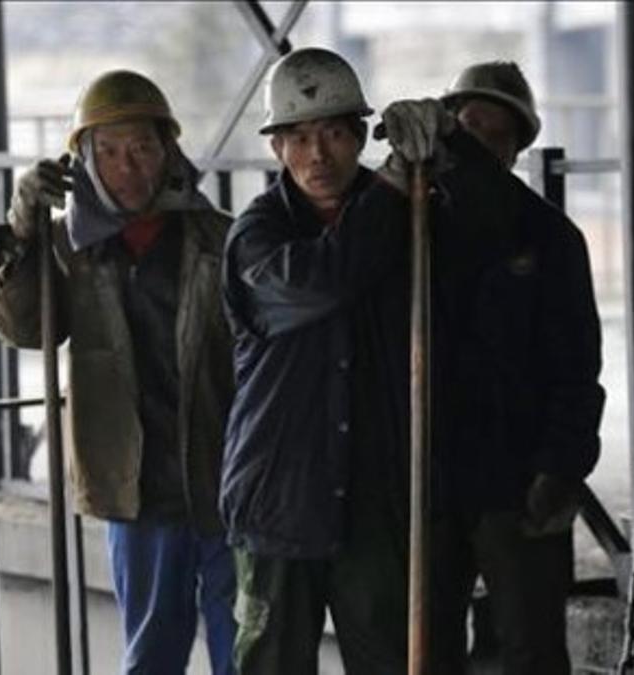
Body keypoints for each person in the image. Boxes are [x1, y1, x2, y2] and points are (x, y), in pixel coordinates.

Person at [0, 70, 237, 674]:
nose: (129, 166)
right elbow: (20, 329)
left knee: (247, 651)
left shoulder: (219, 238)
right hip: (135, 485)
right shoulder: (65, 250)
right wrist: (20, 234)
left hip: (225, 476)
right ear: (86, 162)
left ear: (168, 151)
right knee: (151, 653)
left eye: (143, 148)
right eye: (110, 151)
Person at [379, 62, 605, 675]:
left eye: (496, 134)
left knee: (529, 650)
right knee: (427, 645)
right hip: (431, 475)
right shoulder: (408, 224)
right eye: (467, 125)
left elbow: (577, 368)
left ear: (515, 149)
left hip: (517, 478)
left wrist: (560, 464)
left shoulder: (548, 236)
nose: (477, 141)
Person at [219, 47, 414, 675]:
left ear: (359, 135)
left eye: (333, 132)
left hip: (375, 500)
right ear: (276, 147)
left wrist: (451, 148)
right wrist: (390, 189)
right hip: (278, 495)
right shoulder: (256, 235)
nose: (317, 155)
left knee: (389, 659)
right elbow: (323, 282)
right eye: (298, 137)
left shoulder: (414, 217)